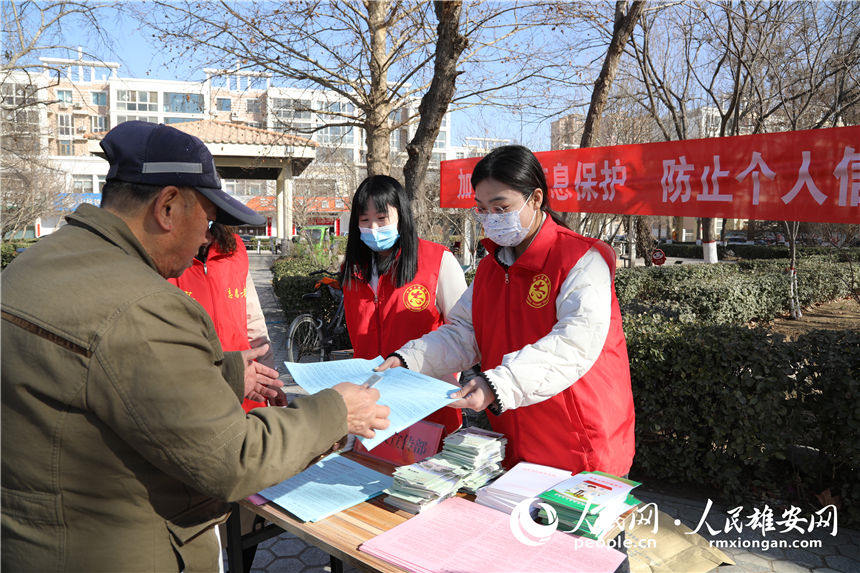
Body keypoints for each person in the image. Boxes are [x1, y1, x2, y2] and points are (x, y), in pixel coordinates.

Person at [1, 121, 389, 572]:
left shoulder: (35, 265)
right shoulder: (145, 304)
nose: (206, 237)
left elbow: (103, 371)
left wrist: (221, 370)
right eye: (205, 219)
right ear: (167, 207)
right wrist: (337, 411)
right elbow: (235, 460)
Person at [378, 145, 635, 476]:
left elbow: (573, 345)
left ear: (536, 199)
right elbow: (463, 332)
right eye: (482, 209)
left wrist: (495, 384)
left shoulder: (580, 260)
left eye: (501, 207)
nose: (491, 219)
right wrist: (408, 360)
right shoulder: (491, 268)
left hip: (581, 444)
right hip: (517, 442)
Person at [342, 175, 467, 437]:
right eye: (365, 221)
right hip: (370, 404)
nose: (373, 228)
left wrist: (450, 380)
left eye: (382, 218)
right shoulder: (352, 270)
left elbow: (465, 330)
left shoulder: (438, 261)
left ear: (402, 215)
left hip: (426, 399)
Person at [168, 223, 273, 412]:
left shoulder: (235, 249)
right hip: (194, 387)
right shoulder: (167, 262)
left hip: (246, 379)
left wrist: (269, 378)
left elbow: (254, 320)